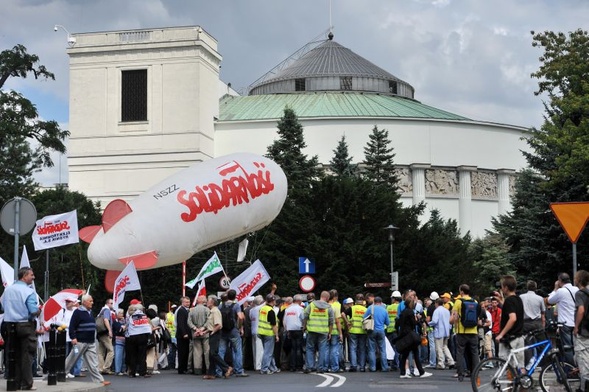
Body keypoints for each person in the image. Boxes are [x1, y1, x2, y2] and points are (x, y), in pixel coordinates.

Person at [3, 267, 40, 391]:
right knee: (27, 354)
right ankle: (27, 383)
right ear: (24, 276)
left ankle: (14, 381)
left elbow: (3, 305)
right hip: (25, 325)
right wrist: (39, 310)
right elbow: (33, 311)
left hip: (9, 325)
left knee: (13, 354)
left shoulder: (8, 290)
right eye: (31, 275)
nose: (33, 277)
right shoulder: (28, 292)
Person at [64, 294, 111, 386]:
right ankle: (61, 374)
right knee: (72, 359)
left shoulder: (90, 312)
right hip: (80, 341)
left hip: (90, 341)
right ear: (84, 302)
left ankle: (99, 380)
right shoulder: (77, 312)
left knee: (93, 362)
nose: (92, 303)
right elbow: (72, 326)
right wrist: (73, 337)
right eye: (90, 301)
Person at [547, 272, 579, 365]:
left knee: (567, 348)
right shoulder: (576, 289)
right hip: (576, 323)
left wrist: (556, 288)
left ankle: (571, 369)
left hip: (564, 324)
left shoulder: (561, 291)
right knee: (576, 347)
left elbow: (549, 300)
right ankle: (579, 368)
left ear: (560, 281)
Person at [495, 275, 525, 373]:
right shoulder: (518, 299)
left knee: (507, 365)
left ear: (506, 288)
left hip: (510, 338)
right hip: (519, 336)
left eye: (502, 287)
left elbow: (512, 318)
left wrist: (501, 334)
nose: (501, 289)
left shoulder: (509, 301)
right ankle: (522, 385)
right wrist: (501, 301)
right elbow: (512, 310)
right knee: (521, 366)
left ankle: (510, 386)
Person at [450, 284, 480, 381]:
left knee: (460, 353)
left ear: (462, 291)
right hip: (474, 331)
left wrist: (453, 322)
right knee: (474, 353)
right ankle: (475, 373)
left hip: (461, 331)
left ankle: (460, 374)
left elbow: (454, 317)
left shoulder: (458, 302)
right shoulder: (475, 301)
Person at [397, 298, 431, 378]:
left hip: (404, 334)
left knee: (405, 354)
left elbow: (398, 323)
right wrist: (418, 319)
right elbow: (413, 324)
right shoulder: (410, 312)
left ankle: (403, 372)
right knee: (415, 353)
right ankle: (421, 371)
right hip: (410, 335)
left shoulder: (403, 312)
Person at [218, 289, 248, 377]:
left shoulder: (221, 305)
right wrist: (239, 327)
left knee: (221, 351)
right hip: (233, 331)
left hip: (223, 331)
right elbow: (240, 317)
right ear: (235, 296)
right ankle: (239, 371)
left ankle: (219, 371)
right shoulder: (236, 306)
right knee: (237, 351)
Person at [303, 291, 334, 373]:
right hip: (323, 331)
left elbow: (305, 316)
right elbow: (331, 322)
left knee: (310, 348)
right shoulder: (329, 307)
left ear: (320, 296)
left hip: (312, 330)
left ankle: (310, 367)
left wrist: (304, 326)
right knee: (322, 350)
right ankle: (320, 368)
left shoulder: (312, 305)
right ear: (327, 298)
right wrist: (330, 333)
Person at [203, 295, 233, 380]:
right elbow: (211, 325)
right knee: (211, 354)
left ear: (212, 302)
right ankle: (211, 373)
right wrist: (205, 331)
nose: (206, 302)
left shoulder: (215, 311)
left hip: (215, 333)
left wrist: (212, 332)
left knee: (213, 353)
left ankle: (227, 368)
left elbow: (218, 325)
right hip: (213, 333)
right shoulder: (212, 311)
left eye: (208, 301)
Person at [520, 280, 545, 365]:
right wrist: (543, 325)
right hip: (537, 323)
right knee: (542, 343)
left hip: (525, 323)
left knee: (527, 344)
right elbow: (543, 313)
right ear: (536, 288)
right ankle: (544, 363)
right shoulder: (540, 298)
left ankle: (528, 363)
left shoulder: (521, 297)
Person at [125, 302, 152, 378]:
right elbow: (147, 326)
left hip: (132, 336)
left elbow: (127, 324)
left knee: (133, 354)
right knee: (142, 355)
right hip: (142, 337)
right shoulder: (143, 316)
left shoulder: (131, 316)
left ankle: (132, 372)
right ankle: (143, 372)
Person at [364, 296, 389, 372]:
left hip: (372, 330)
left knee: (371, 350)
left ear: (374, 302)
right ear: (381, 303)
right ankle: (384, 367)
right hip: (381, 330)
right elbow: (387, 322)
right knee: (382, 349)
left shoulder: (370, 308)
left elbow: (364, 318)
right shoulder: (384, 310)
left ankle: (372, 367)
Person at [428, 298, 455, 369]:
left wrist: (428, 323)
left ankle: (441, 363)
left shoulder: (437, 311)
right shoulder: (446, 311)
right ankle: (451, 361)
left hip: (439, 331)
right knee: (445, 347)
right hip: (446, 331)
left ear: (436, 303)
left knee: (439, 348)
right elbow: (449, 321)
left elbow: (435, 321)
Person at [573, 269, 589, 386]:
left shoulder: (579, 293)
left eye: (575, 278)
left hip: (583, 331)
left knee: (582, 360)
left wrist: (576, 326)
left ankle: (584, 387)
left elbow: (581, 310)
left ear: (579, 280)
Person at [187, 295, 210, 375]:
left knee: (197, 352)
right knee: (206, 351)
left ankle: (197, 369)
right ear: (204, 301)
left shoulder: (192, 310)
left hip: (195, 334)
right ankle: (208, 368)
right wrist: (202, 329)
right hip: (205, 333)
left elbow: (189, 322)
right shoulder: (207, 310)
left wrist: (196, 329)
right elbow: (209, 321)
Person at [258, 294, 279, 374]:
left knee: (269, 351)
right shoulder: (271, 311)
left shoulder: (262, 308)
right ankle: (264, 369)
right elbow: (274, 325)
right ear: (273, 301)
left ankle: (273, 368)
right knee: (268, 352)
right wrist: (276, 335)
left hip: (261, 332)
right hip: (268, 333)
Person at [345, 294, 367, 372]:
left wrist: (347, 322)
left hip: (353, 331)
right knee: (362, 349)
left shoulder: (352, 308)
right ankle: (362, 366)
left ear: (355, 301)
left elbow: (343, 314)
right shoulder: (365, 309)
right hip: (363, 331)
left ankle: (353, 366)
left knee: (353, 349)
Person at [283, 294, 304, 372]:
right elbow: (303, 319)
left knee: (292, 348)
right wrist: (304, 327)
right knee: (298, 348)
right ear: (299, 301)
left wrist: (286, 329)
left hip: (290, 330)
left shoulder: (288, 309)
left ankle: (292, 366)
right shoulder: (300, 309)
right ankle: (299, 366)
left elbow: (284, 321)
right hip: (298, 329)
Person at [97, 299, 115, 375]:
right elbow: (106, 320)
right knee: (111, 351)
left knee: (100, 352)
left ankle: (100, 368)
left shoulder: (101, 310)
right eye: (111, 303)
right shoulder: (107, 310)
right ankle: (106, 368)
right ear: (107, 303)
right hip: (105, 333)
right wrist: (110, 330)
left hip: (100, 333)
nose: (112, 305)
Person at [175, 296, 191, 374]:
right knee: (182, 352)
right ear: (182, 303)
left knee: (185, 352)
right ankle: (181, 369)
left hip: (184, 335)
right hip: (182, 335)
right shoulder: (181, 310)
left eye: (188, 302)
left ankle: (183, 368)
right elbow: (181, 323)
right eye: (186, 302)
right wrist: (184, 333)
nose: (188, 303)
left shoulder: (185, 310)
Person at [112, 309, 127, 376]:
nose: (121, 314)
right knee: (118, 356)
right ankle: (117, 370)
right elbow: (119, 329)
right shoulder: (115, 321)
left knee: (124, 356)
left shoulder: (125, 320)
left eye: (122, 313)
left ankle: (123, 370)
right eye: (120, 313)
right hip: (118, 340)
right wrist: (124, 327)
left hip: (125, 339)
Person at [165, 304, 177, 370]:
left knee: (170, 350)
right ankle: (175, 364)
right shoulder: (176, 314)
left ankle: (170, 364)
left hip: (169, 335)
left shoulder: (167, 315)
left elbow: (166, 324)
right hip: (175, 335)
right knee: (175, 351)